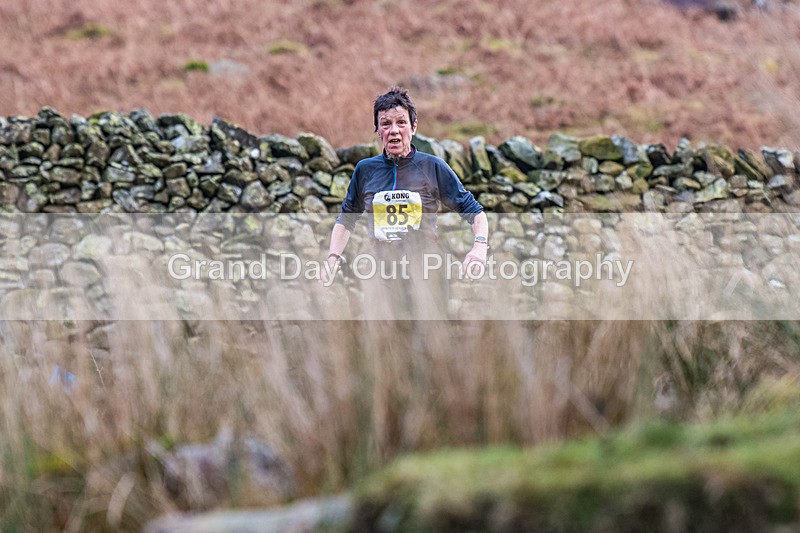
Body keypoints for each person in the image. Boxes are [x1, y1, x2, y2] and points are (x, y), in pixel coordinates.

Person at [324, 87, 489, 319]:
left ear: (414, 127)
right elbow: (346, 219)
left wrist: (479, 247)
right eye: (385, 124)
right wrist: (333, 257)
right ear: (378, 131)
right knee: (386, 344)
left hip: (426, 269)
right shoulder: (365, 170)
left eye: (401, 122)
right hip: (381, 271)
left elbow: (475, 212)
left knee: (430, 344)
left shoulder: (432, 166)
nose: (394, 131)